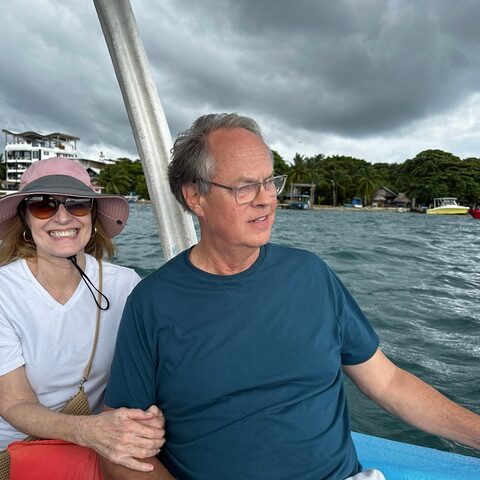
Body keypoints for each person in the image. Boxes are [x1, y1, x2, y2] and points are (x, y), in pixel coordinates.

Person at [101, 114, 480, 480]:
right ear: (195, 198)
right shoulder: (151, 303)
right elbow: (123, 448)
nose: (266, 200)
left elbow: (387, 382)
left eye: (270, 182)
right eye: (244, 187)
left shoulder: (311, 274)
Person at [0, 157, 165, 476]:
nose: (62, 217)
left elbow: (153, 369)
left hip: (96, 441)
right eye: (44, 205)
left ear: (91, 215)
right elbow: (14, 403)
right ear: (25, 219)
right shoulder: (3, 291)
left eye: (77, 204)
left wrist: (152, 417)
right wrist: (92, 432)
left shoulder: (127, 284)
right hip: (14, 452)